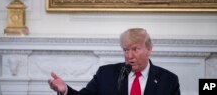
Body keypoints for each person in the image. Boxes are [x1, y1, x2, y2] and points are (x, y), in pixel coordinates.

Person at [48, 28, 181, 95]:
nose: (129, 56)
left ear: (149, 49)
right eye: (125, 50)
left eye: (135, 49)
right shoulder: (106, 74)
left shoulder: (168, 80)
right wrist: (65, 90)